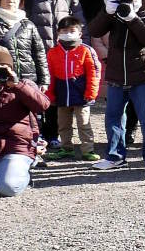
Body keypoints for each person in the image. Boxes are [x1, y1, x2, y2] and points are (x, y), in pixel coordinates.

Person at [88, 0, 145, 172]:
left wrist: (133, 19)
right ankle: (115, 156)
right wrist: (107, 13)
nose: (128, 3)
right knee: (113, 117)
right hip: (116, 74)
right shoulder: (113, 11)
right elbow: (94, 30)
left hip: (143, 73)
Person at [25, 0, 90, 149]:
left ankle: (55, 135)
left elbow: (82, 27)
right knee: (37, 95)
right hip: (38, 55)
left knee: (58, 96)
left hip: (66, 56)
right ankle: (37, 135)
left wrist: (83, 51)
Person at [0, 44, 49, 197]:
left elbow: (43, 105)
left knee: (8, 188)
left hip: (15, 147)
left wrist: (17, 85)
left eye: (5, 67)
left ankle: (23, 170)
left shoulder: (23, 85)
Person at [43, 15, 101, 161]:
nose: (68, 33)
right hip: (61, 95)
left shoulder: (86, 50)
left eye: (72, 30)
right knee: (63, 125)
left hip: (82, 95)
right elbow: (48, 75)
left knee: (84, 124)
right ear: (58, 33)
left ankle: (88, 150)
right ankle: (66, 148)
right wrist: (49, 95)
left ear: (79, 33)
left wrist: (91, 92)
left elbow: (94, 73)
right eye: (64, 30)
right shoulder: (52, 52)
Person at [0, 0, 48, 91]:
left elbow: (39, 54)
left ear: (20, 0)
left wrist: (44, 81)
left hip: (27, 83)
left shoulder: (28, 24)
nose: (10, 0)